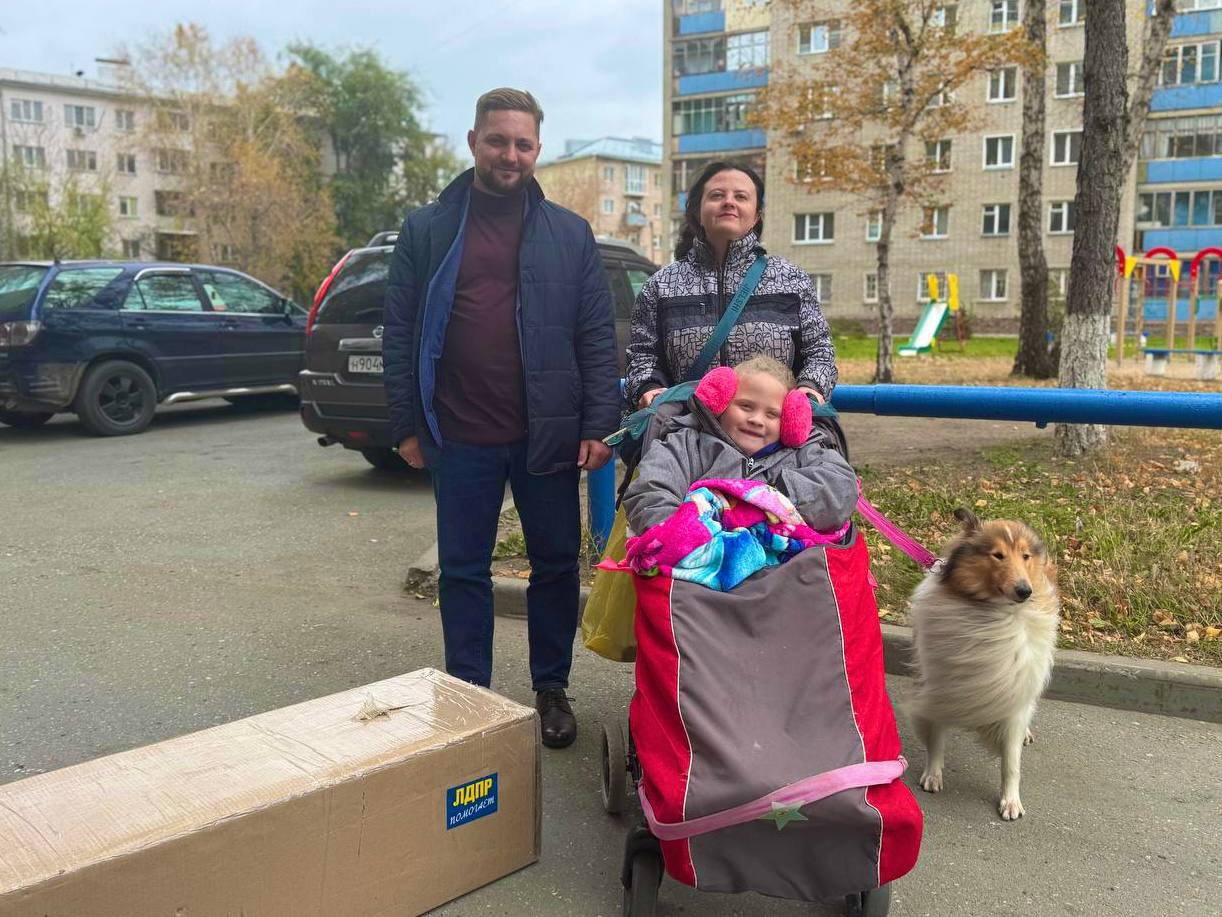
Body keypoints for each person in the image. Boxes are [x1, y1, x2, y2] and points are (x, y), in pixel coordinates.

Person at [381, 88, 619, 749]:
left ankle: (551, 687)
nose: (509, 154)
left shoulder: (569, 233)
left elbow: (595, 334)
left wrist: (598, 422)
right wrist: (405, 423)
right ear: (473, 142)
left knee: (555, 564)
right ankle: (469, 694)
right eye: (497, 140)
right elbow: (398, 331)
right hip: (458, 433)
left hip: (547, 433)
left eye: (522, 144)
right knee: (462, 570)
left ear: (537, 150)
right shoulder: (427, 229)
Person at [624, 162, 838, 413]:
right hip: (685, 427)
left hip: (768, 428)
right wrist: (648, 387)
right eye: (717, 195)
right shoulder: (661, 286)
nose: (728, 202)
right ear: (697, 211)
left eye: (741, 196)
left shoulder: (791, 279)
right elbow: (642, 355)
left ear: (756, 215)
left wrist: (810, 390)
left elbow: (819, 352)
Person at [622, 355, 857, 540]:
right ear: (720, 404)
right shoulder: (687, 444)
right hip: (697, 568)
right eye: (746, 406)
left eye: (772, 414)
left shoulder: (803, 451)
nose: (756, 420)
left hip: (785, 575)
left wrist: (769, 499)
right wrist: (684, 536)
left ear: (789, 421)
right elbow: (650, 491)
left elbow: (841, 487)